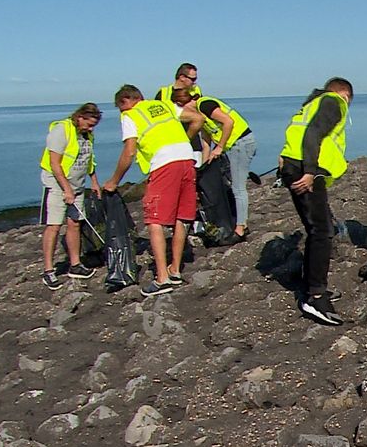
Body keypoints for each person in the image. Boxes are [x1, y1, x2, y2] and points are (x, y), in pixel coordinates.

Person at [104, 85, 203, 297]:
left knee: (155, 220)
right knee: (182, 216)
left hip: (163, 164)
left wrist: (114, 181)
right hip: (187, 159)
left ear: (127, 101)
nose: (121, 113)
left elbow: (130, 151)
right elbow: (198, 119)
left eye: (121, 108)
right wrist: (185, 140)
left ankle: (162, 278)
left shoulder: (131, 115)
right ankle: (175, 270)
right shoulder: (163, 105)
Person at [279, 78, 353, 326]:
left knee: (317, 228)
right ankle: (315, 296)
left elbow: (299, 132)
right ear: (345, 94)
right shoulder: (334, 101)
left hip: (295, 164)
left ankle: (312, 286)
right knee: (321, 231)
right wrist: (310, 171)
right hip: (306, 168)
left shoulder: (312, 103)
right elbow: (313, 134)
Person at [175, 89, 257, 242]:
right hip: (232, 146)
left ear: (187, 103)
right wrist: (204, 166)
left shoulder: (205, 105)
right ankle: (238, 222)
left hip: (241, 142)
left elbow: (228, 122)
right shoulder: (200, 117)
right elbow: (206, 143)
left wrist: (219, 147)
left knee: (238, 188)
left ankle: (241, 228)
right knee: (232, 186)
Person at [38, 103, 103, 290]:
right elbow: (55, 164)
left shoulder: (87, 134)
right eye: (89, 124)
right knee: (54, 225)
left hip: (78, 184)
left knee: (75, 223)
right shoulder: (61, 130)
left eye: (93, 126)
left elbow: (89, 159)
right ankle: (49, 270)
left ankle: (75, 265)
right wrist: (66, 189)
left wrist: (94, 181)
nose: (90, 129)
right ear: (80, 117)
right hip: (57, 184)